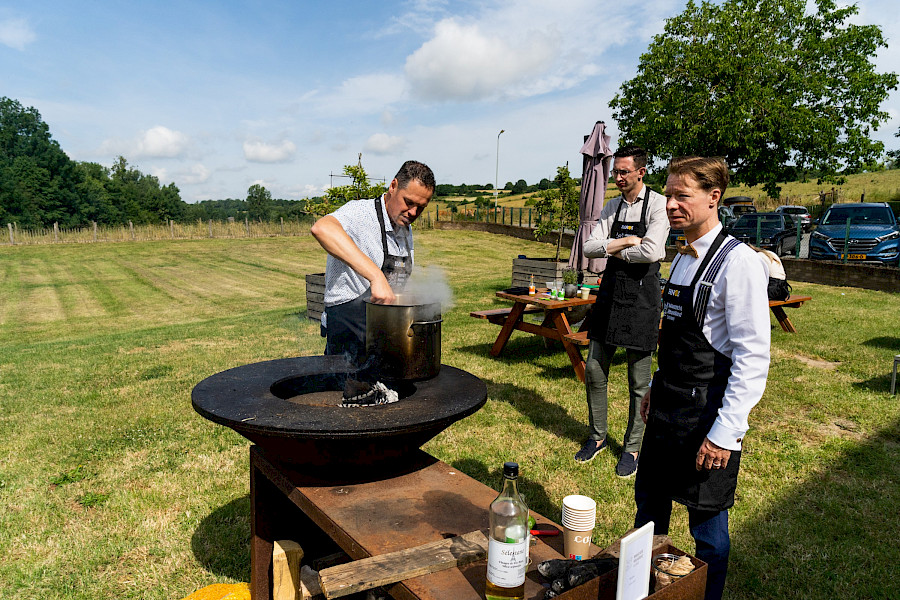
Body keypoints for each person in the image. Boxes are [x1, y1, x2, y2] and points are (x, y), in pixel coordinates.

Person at [635, 156, 770, 600]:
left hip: (705, 417)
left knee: (707, 530)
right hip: (668, 406)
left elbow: (752, 357)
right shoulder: (682, 256)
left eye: (681, 195)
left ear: (714, 197)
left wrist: (725, 433)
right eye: (668, 194)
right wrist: (655, 385)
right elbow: (676, 337)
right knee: (649, 514)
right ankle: (648, 590)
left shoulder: (739, 264)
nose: (670, 204)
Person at [576, 146, 670, 478]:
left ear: (641, 172)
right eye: (615, 171)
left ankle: (632, 448)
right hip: (610, 295)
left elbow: (653, 250)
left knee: (639, 382)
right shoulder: (611, 207)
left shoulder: (658, 204)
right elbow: (589, 246)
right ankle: (598, 437)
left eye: (624, 172)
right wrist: (626, 242)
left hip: (642, 299)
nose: (617, 177)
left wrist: (612, 248)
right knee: (594, 370)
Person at [310, 160, 435, 366]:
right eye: (409, 202)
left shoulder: (404, 227)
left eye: (421, 208)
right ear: (393, 186)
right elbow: (322, 228)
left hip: (383, 334)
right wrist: (375, 275)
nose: (413, 213)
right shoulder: (361, 213)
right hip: (348, 332)